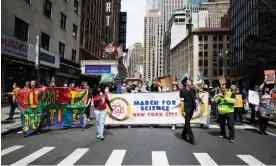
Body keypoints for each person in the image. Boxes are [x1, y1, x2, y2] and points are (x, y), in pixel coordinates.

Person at [180, 77, 197, 145]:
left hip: (192, 108)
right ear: (186, 83)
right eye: (189, 81)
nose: (190, 81)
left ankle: (183, 135)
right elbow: (182, 101)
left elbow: (195, 97)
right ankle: (191, 138)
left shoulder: (192, 90)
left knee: (187, 122)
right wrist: (183, 110)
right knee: (188, 123)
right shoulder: (182, 91)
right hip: (186, 109)